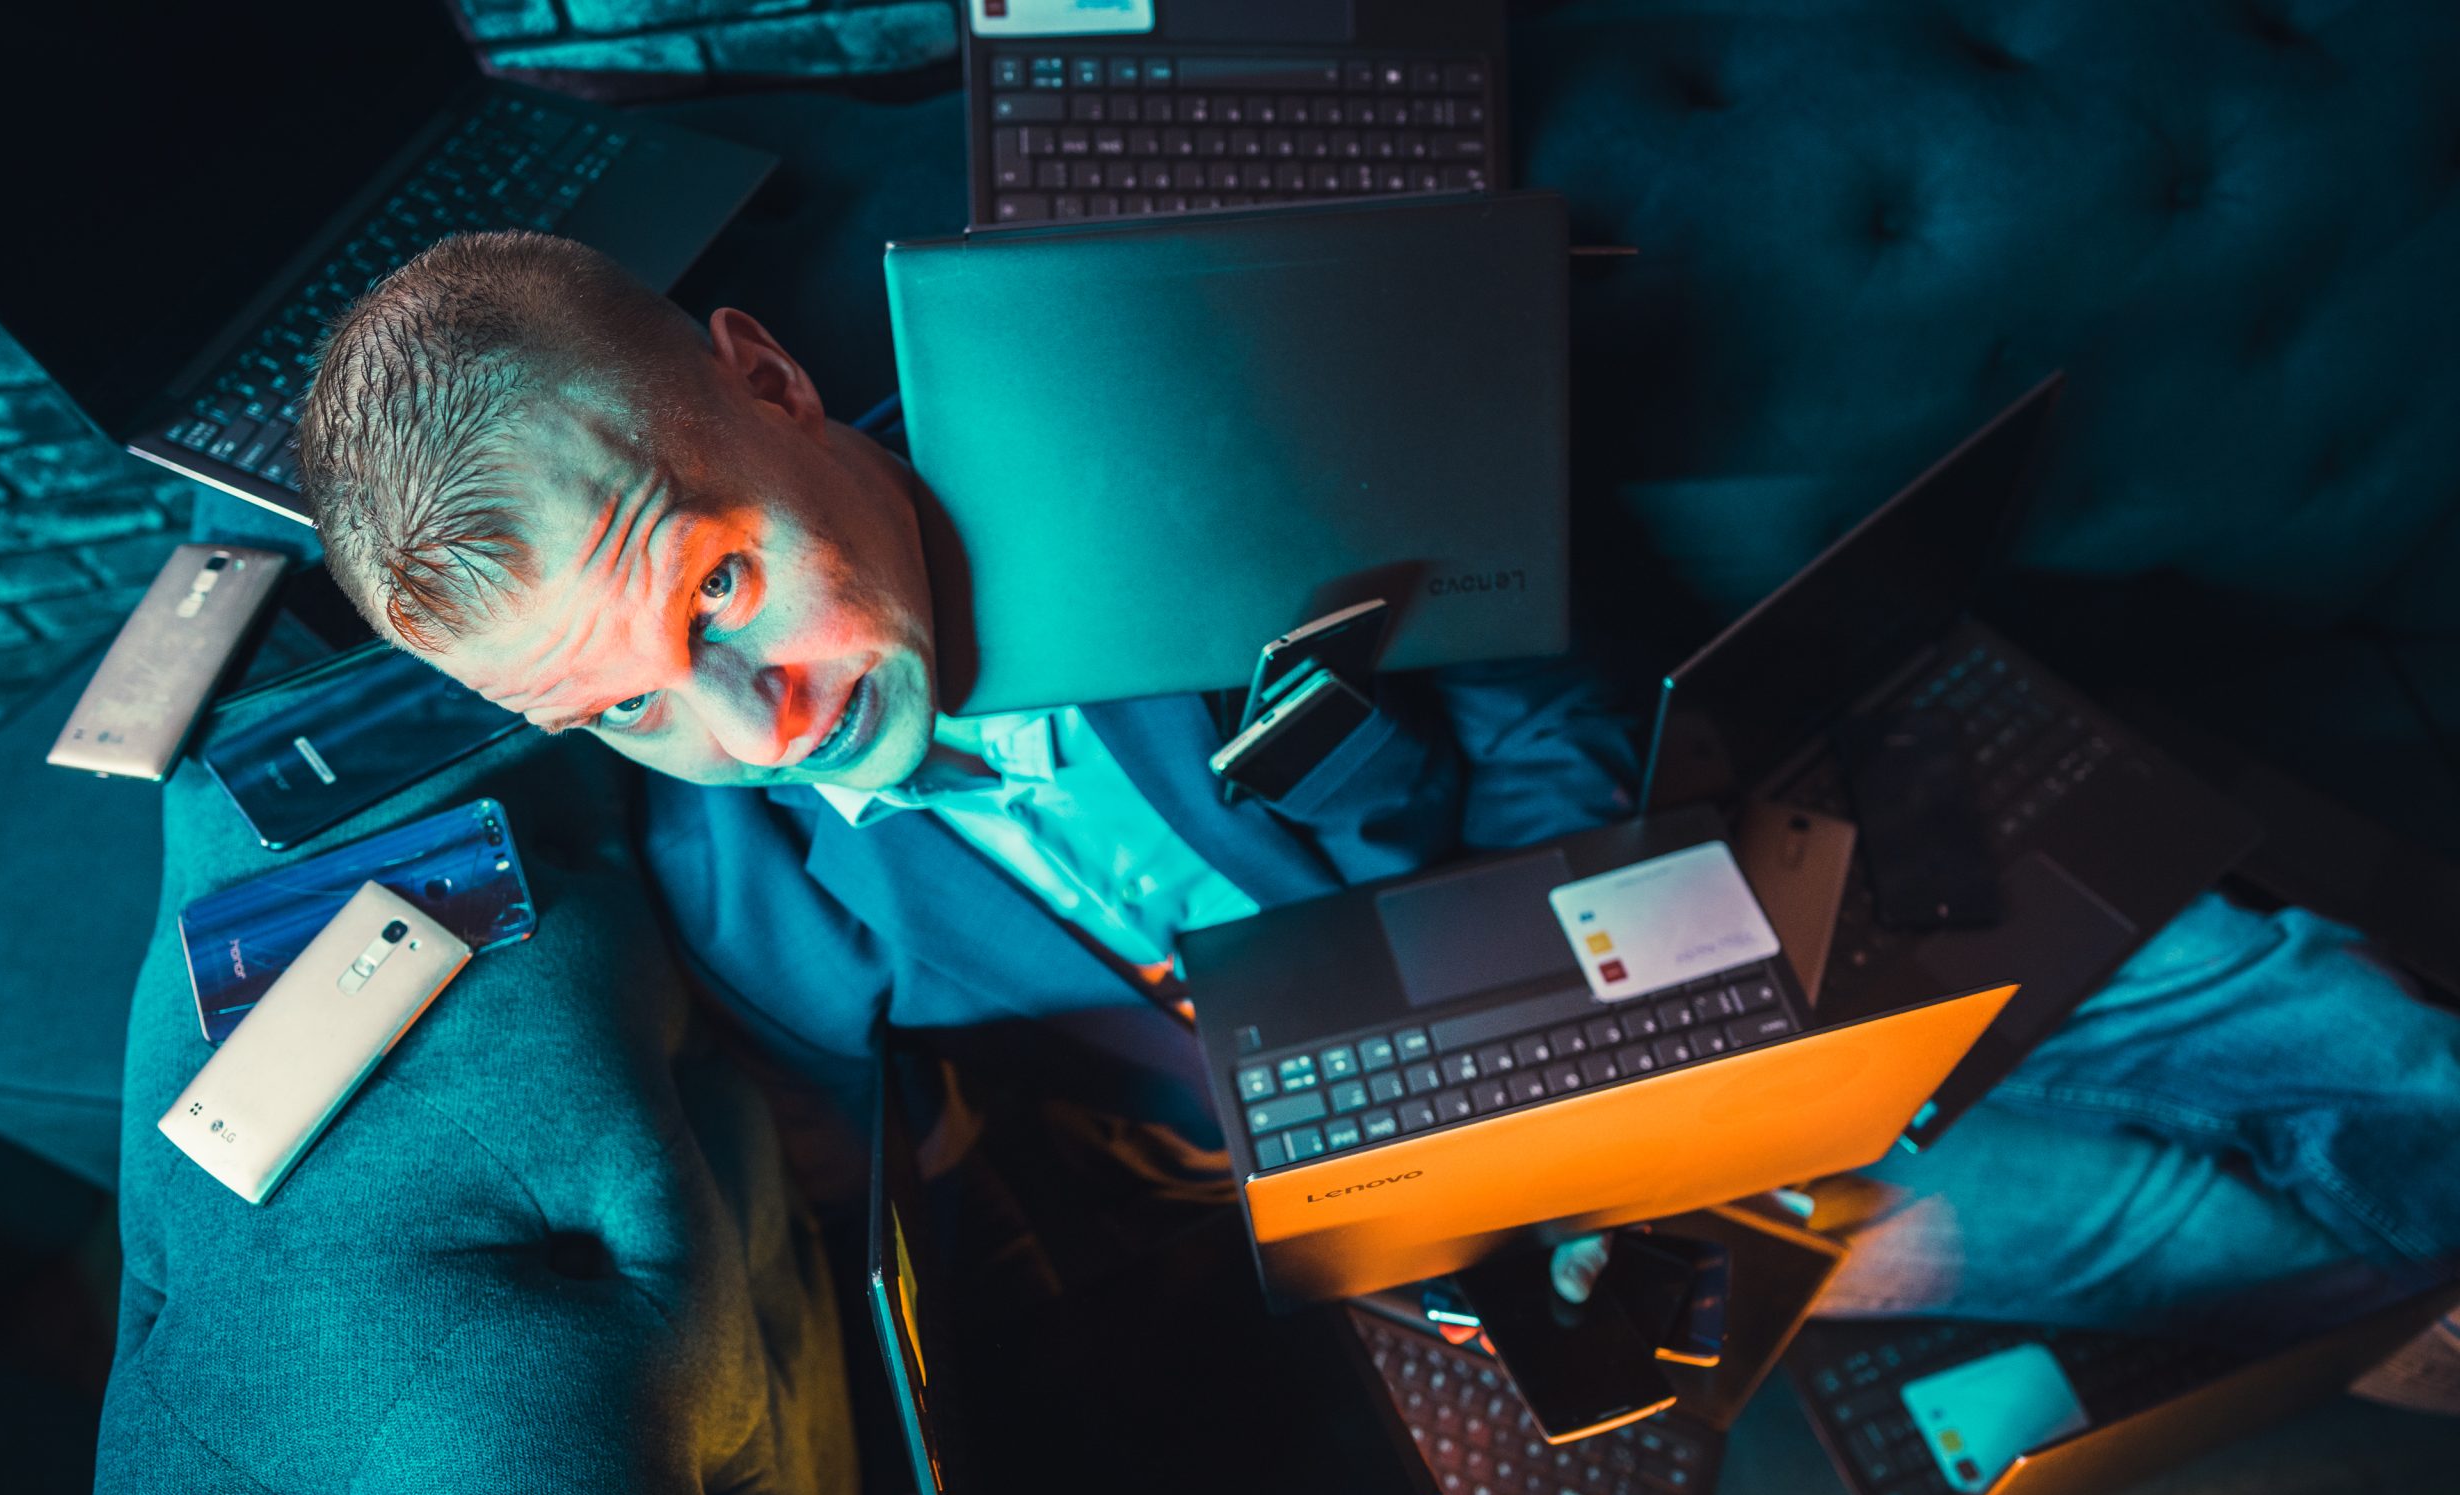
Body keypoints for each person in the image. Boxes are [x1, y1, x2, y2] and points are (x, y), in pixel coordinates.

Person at [296, 230, 2460, 1413]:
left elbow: (1549, 682)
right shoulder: (760, 903)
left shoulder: (1183, 431)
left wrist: (1549, 911)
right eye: (622, 711)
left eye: (717, 589)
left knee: (2332, 1029)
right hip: (1535, 1152)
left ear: (765, 384)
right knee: (2167, 1221)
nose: (746, 722)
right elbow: (983, 1186)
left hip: (1728, 869)